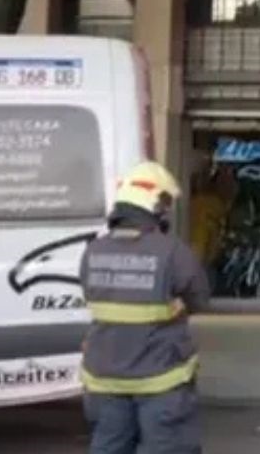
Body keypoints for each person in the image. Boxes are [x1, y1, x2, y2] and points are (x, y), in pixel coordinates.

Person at [80, 161, 211, 454]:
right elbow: (200, 298)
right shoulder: (171, 251)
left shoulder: (93, 251)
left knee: (109, 446)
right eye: (165, 205)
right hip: (160, 379)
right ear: (154, 205)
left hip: (105, 378)